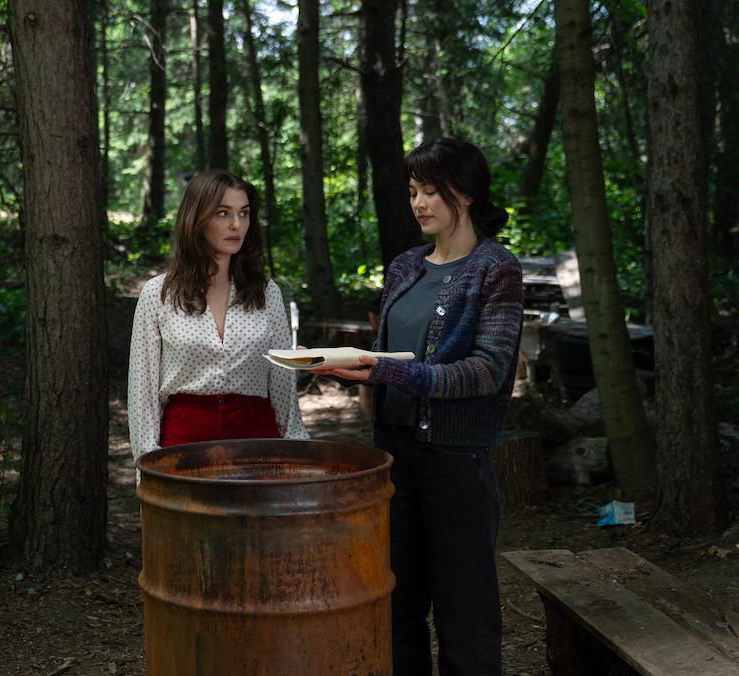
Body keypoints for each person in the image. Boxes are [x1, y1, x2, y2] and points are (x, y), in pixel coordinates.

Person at [312, 138, 523, 674]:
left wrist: (386, 369)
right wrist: (358, 372)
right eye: (413, 191)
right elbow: (386, 353)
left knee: (464, 612)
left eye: (433, 190)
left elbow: (487, 370)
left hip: (456, 459)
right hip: (392, 454)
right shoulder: (405, 266)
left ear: (468, 193)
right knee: (394, 605)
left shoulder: (495, 268)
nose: (420, 202)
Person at [127, 169, 309, 474]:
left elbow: (282, 386)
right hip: (183, 445)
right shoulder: (159, 293)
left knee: (257, 522)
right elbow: (142, 391)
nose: (237, 224)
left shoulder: (266, 292)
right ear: (196, 218)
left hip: (257, 442)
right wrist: (147, 466)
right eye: (222, 213)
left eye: (244, 213)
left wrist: (295, 448)